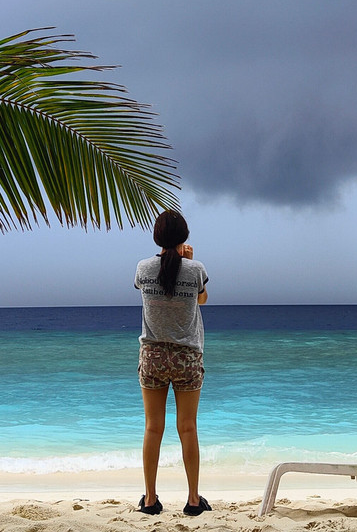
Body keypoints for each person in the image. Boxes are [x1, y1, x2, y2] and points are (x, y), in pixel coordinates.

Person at [133, 209, 211, 516]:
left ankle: (150, 500)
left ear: (156, 237)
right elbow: (201, 300)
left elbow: (150, 287)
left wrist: (175, 258)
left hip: (152, 356)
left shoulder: (141, 267)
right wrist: (187, 259)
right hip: (186, 357)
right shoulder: (195, 269)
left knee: (153, 427)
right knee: (188, 428)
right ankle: (193, 500)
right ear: (184, 238)